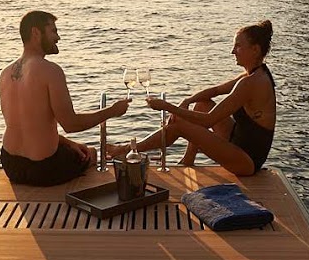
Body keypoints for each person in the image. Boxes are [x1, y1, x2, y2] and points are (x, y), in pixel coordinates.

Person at [112, 20, 276, 177]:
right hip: (238, 143)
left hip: (246, 162)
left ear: (255, 50)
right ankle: (187, 160)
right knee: (202, 104)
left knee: (179, 125)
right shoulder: (254, 75)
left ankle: (126, 149)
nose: (233, 51)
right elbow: (216, 90)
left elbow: (209, 120)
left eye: (238, 46)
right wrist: (187, 101)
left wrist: (167, 107)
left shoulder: (252, 83)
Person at [0, 10, 130, 186]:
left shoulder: (5, 73)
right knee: (91, 153)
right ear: (36, 33)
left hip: (10, 164)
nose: (58, 37)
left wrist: (68, 143)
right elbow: (71, 124)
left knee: (76, 148)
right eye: (53, 31)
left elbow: (29, 125)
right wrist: (112, 111)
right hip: (43, 168)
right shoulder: (50, 70)